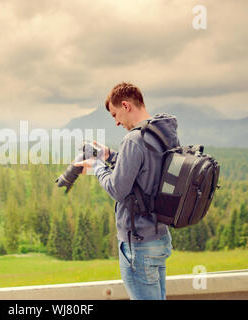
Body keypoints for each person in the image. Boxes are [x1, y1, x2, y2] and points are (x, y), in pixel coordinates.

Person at [74, 82, 180, 300]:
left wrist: (96, 165)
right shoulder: (163, 132)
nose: (116, 122)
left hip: (138, 244)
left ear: (125, 105)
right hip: (159, 238)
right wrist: (111, 155)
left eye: (115, 115)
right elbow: (148, 170)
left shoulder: (134, 139)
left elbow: (117, 189)